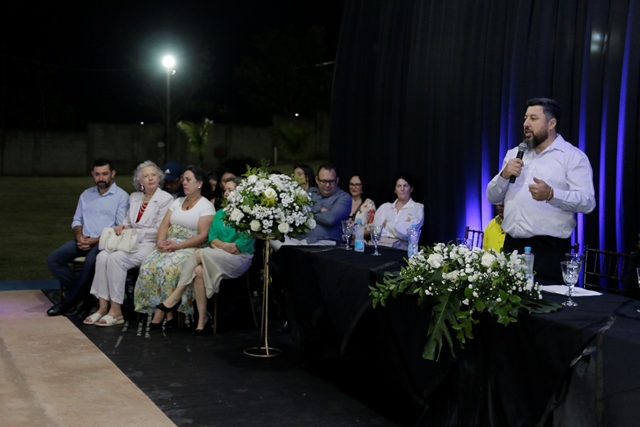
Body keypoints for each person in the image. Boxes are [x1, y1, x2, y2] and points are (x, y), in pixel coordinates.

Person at [486, 97, 596, 283]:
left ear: (551, 123)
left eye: (533, 118)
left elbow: (587, 202)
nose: (526, 123)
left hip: (548, 252)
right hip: (511, 247)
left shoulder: (572, 157)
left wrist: (552, 194)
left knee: (544, 309)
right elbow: (492, 196)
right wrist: (503, 175)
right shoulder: (514, 153)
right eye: (525, 118)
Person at [150, 177, 256, 334]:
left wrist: (222, 246)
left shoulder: (248, 215)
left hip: (239, 260)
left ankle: (175, 296)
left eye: (231, 190)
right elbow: (212, 238)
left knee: (199, 252)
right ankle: (202, 320)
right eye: (225, 190)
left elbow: (240, 246)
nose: (226, 194)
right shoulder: (220, 214)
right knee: (198, 271)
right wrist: (224, 245)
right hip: (217, 256)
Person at [84, 161, 174, 326]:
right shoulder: (134, 197)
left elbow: (160, 229)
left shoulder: (165, 199)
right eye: (146, 176)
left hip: (149, 244)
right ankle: (102, 307)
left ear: (159, 178)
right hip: (129, 242)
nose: (150, 178)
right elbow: (127, 221)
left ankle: (117, 311)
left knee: (116, 258)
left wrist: (133, 232)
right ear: (140, 181)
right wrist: (122, 227)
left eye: (153, 175)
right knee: (103, 256)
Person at [46, 158, 129, 317]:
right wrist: (79, 236)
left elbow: (119, 226)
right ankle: (86, 297)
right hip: (83, 240)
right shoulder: (86, 195)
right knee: (53, 259)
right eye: (97, 174)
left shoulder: (121, 196)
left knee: (91, 261)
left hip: (104, 242)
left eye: (105, 174)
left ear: (112, 174)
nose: (101, 178)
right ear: (93, 174)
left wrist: (95, 240)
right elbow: (77, 220)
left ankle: (68, 302)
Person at [134, 165, 215, 323]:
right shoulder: (177, 202)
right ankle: (163, 311)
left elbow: (203, 236)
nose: (184, 182)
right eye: (183, 179)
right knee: (149, 265)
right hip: (170, 244)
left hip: (191, 247)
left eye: (188, 180)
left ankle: (164, 311)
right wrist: (160, 242)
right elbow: (164, 225)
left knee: (170, 268)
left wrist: (177, 246)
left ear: (199, 183)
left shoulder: (206, 206)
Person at [270, 163, 351, 251]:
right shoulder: (310, 192)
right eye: (323, 181)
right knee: (273, 238)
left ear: (337, 180)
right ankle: (297, 255)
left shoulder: (344, 198)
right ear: (317, 179)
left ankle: (297, 255)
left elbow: (330, 219)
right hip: (299, 240)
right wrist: (320, 209)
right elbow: (298, 211)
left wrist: (309, 210)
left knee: (293, 252)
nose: (327, 185)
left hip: (324, 243)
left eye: (331, 181)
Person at [373, 173, 424, 250]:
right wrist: (398, 231)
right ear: (395, 190)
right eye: (399, 186)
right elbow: (376, 232)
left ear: (411, 189)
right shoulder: (384, 207)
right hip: (382, 247)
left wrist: (387, 224)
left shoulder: (417, 208)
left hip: (405, 250)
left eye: (405, 186)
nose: (402, 189)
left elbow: (407, 233)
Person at [347, 175, 376, 240]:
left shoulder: (369, 203)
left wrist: (353, 236)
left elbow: (370, 228)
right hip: (341, 242)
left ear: (362, 186)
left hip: (360, 243)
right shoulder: (344, 201)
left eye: (357, 185)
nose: (354, 187)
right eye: (351, 184)